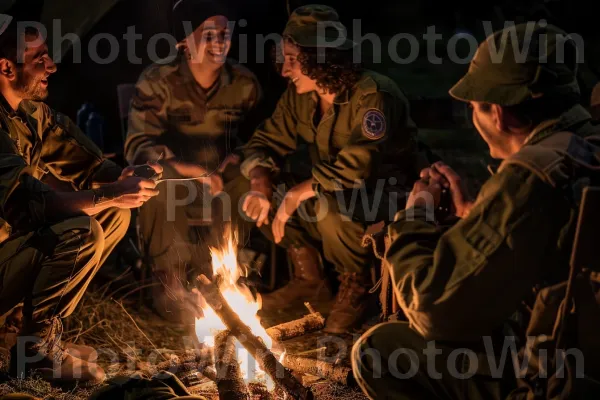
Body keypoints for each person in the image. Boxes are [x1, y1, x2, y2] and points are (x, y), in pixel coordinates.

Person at [351, 22, 600, 399]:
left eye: (473, 106)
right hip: (585, 358)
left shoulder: (530, 176)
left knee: (379, 350)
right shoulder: (585, 145)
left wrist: (415, 215)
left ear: (498, 114)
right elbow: (547, 242)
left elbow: (432, 309)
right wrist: (475, 212)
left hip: (551, 381)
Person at [0, 20, 162, 385]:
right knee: (80, 231)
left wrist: (121, 178)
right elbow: (28, 206)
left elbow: (83, 161)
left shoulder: (28, 113)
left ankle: (21, 330)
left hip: (9, 255)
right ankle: (35, 356)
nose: (51, 66)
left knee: (114, 213)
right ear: (6, 67)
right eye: (39, 58)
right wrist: (109, 194)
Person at [241, 4, 419, 333]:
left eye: (293, 60)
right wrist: (259, 180)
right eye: (284, 58)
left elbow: (358, 167)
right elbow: (264, 142)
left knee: (328, 203)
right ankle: (310, 279)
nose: (284, 70)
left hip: (384, 199)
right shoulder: (300, 96)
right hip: (333, 194)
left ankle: (357, 286)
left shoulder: (373, 95)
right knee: (248, 190)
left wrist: (298, 193)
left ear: (320, 58)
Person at [124, 0, 262, 323]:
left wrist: (240, 158)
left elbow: (262, 138)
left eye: (224, 34)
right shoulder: (158, 81)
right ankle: (168, 283)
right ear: (184, 41)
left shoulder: (243, 84)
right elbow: (139, 145)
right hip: (178, 176)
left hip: (222, 181)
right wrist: (193, 171)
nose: (220, 42)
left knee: (247, 183)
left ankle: (228, 276)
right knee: (158, 182)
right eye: (209, 34)